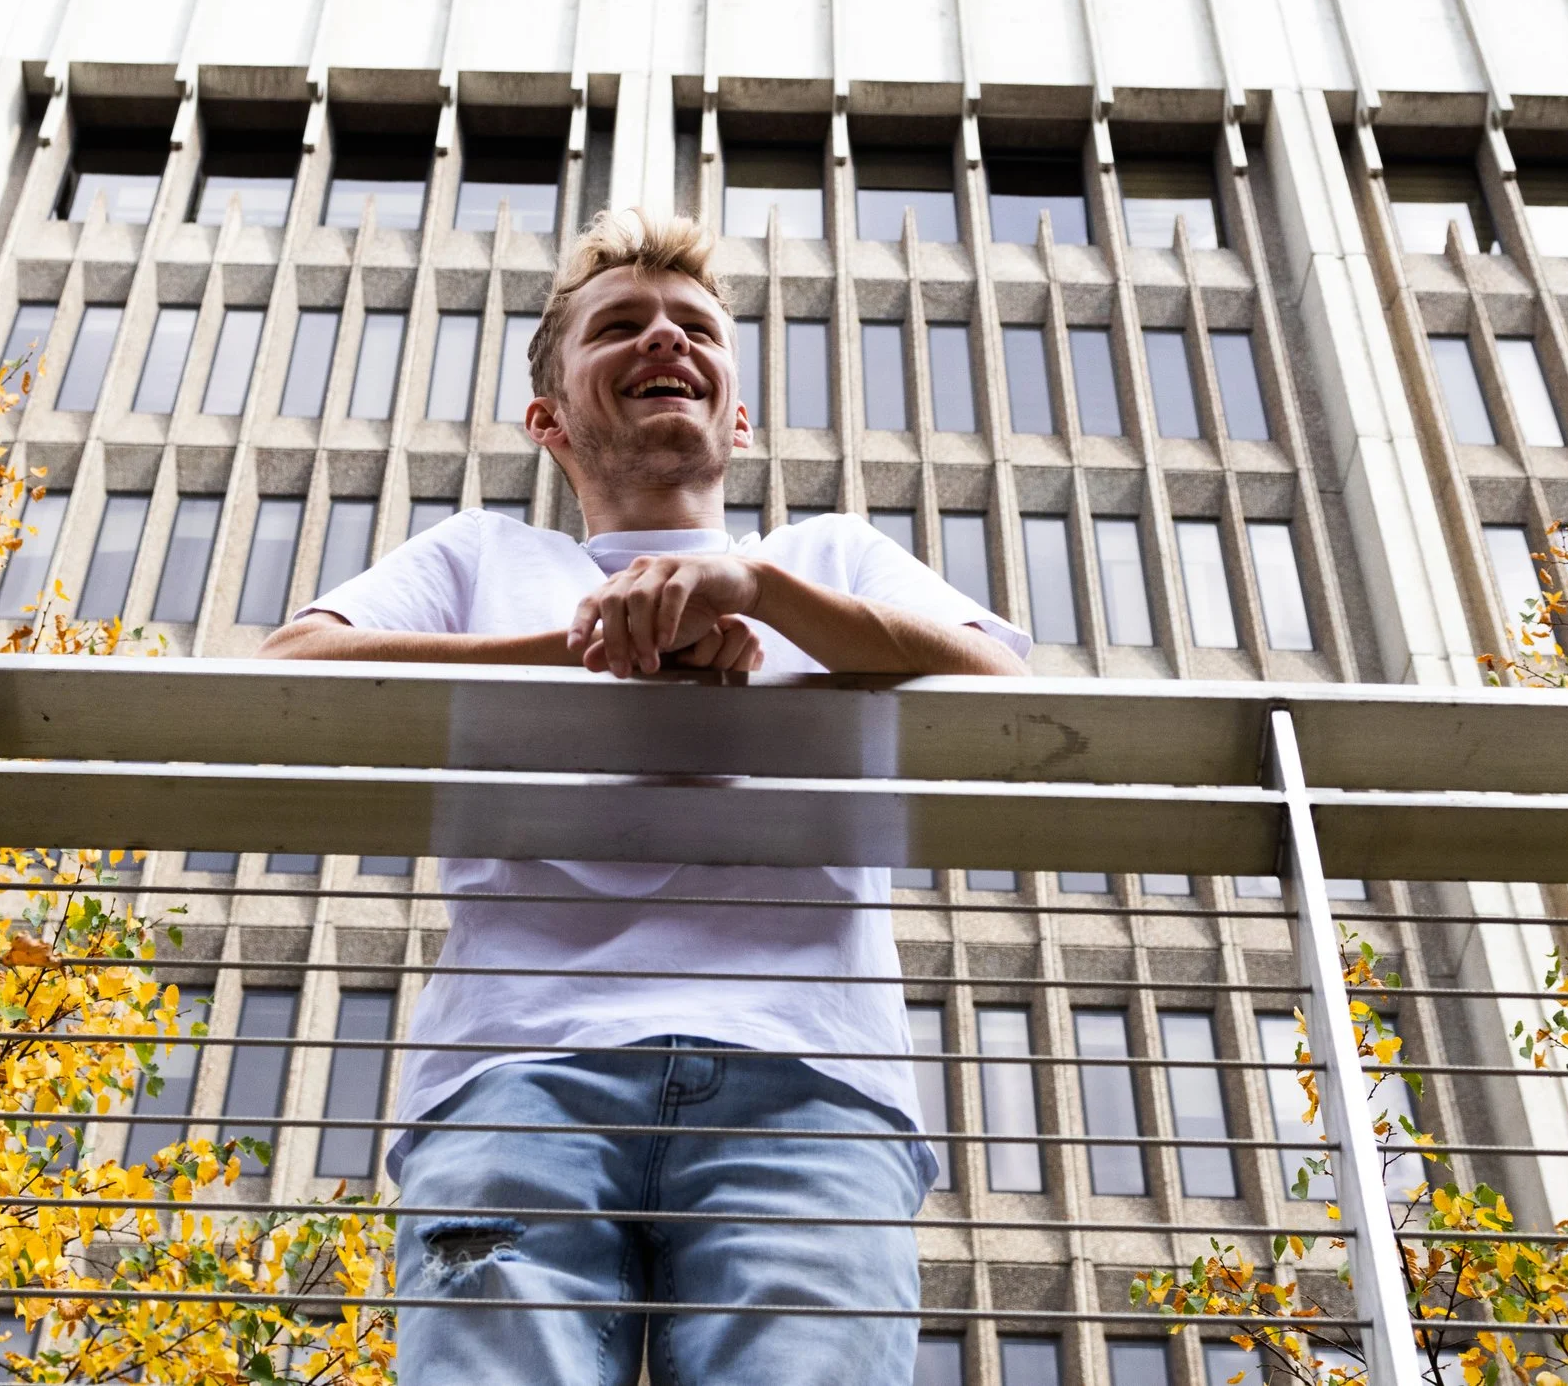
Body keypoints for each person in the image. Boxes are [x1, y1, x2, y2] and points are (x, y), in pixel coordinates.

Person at [259, 208, 1030, 1385]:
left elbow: (1005, 688)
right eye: (619, 325)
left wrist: (754, 588)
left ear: (736, 411)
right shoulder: (477, 556)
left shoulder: (828, 560)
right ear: (549, 416)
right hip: (518, 1078)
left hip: (809, 1086)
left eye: (694, 326)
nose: (664, 337)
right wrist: (592, 646)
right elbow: (288, 672)